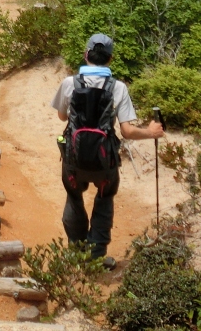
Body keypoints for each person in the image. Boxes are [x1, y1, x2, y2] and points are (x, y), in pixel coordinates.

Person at [49, 32, 164, 266]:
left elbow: (62, 117)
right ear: (110, 59)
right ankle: (96, 257)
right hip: (105, 163)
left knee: (73, 198)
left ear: (86, 54)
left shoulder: (69, 83)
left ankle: (76, 253)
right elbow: (128, 131)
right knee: (104, 200)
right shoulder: (118, 87)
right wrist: (151, 132)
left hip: (74, 159)